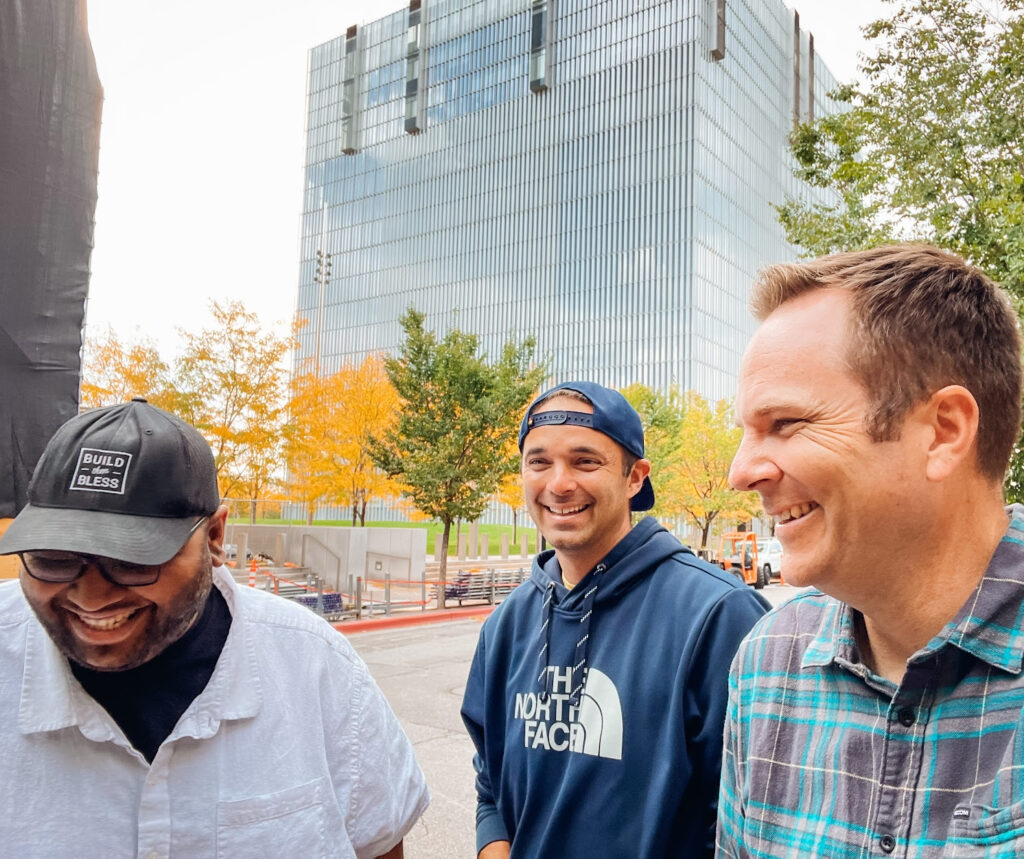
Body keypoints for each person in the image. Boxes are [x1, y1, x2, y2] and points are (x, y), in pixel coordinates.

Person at [0, 397, 428, 858]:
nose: (91, 597)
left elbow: (379, 843)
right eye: (53, 559)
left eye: (132, 559)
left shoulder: (316, 666)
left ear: (216, 537)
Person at [719, 245, 1024, 858]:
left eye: (785, 423)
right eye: (747, 432)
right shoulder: (766, 662)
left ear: (943, 432)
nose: (740, 471)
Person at [461, 381, 769, 859]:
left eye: (585, 461)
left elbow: (753, 816)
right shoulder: (506, 625)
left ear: (634, 478)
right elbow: (491, 784)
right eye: (539, 461)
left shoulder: (716, 615)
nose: (559, 484)